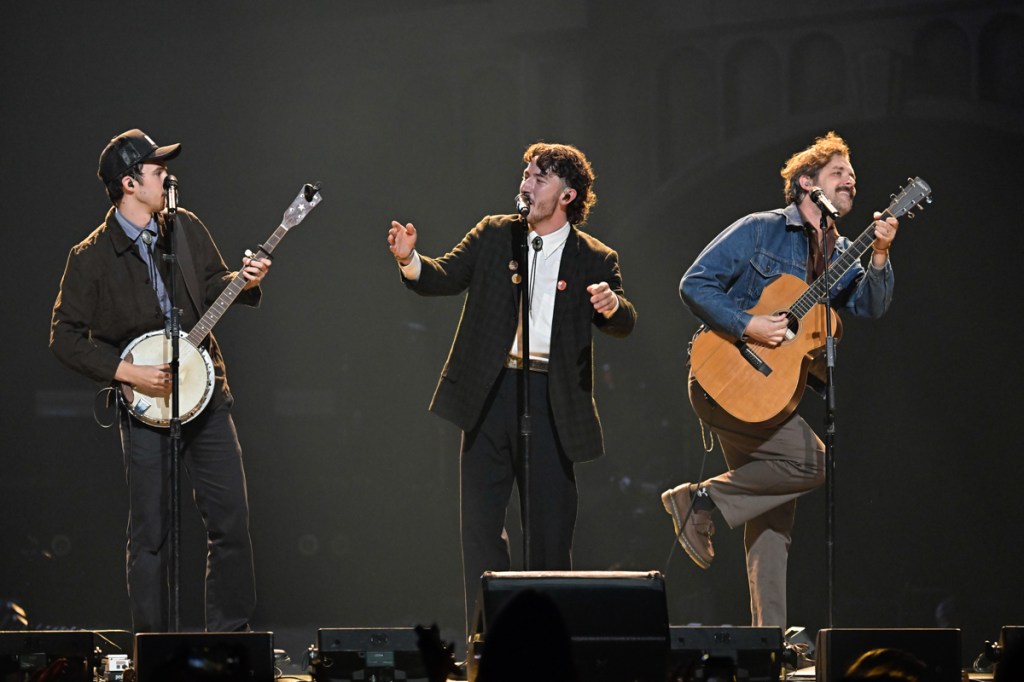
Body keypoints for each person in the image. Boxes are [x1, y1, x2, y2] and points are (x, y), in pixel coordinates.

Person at [387, 142, 637, 636]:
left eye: (540, 178)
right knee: (481, 529)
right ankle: (486, 642)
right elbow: (443, 275)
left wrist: (611, 306)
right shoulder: (495, 234)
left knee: (549, 532)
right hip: (490, 391)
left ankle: (547, 644)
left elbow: (624, 320)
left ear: (567, 195)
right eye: (526, 174)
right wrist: (410, 259)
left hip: (551, 399)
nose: (526, 184)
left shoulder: (594, 257)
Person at [661, 131, 899, 629]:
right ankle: (699, 498)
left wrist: (879, 254)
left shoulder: (840, 253)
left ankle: (767, 641)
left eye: (853, 174)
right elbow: (694, 283)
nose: (850, 180)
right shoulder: (760, 229)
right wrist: (748, 324)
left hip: (769, 394)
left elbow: (872, 306)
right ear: (807, 184)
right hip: (724, 375)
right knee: (811, 462)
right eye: (838, 172)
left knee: (772, 519)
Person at [50, 129, 271, 632]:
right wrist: (128, 373)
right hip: (146, 409)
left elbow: (213, 284)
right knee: (151, 534)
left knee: (231, 521)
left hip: (207, 397)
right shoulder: (90, 256)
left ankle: (230, 640)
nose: (168, 177)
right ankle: (153, 647)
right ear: (129, 183)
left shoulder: (184, 228)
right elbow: (63, 337)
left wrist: (245, 281)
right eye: (157, 170)